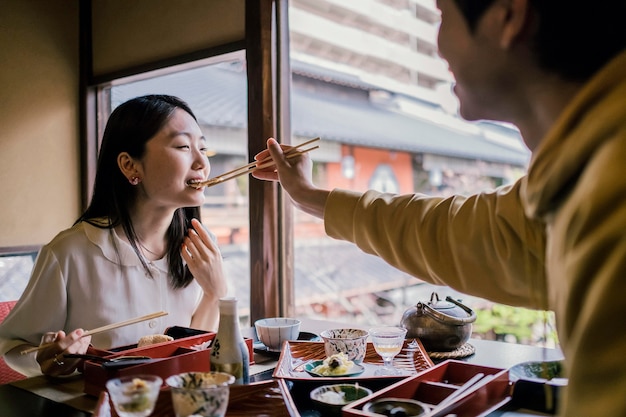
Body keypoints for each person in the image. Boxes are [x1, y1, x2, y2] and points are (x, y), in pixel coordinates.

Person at [253, 1, 626, 416]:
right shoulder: (582, 171)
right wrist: (308, 195)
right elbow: (457, 230)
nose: (439, 47)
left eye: (442, 15)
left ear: (508, 17)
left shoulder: (612, 179)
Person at [0, 95, 227, 377]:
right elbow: (14, 347)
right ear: (130, 166)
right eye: (183, 146)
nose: (201, 162)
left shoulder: (202, 247)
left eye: (203, 148)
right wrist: (52, 361)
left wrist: (214, 294)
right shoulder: (70, 252)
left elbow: (197, 350)